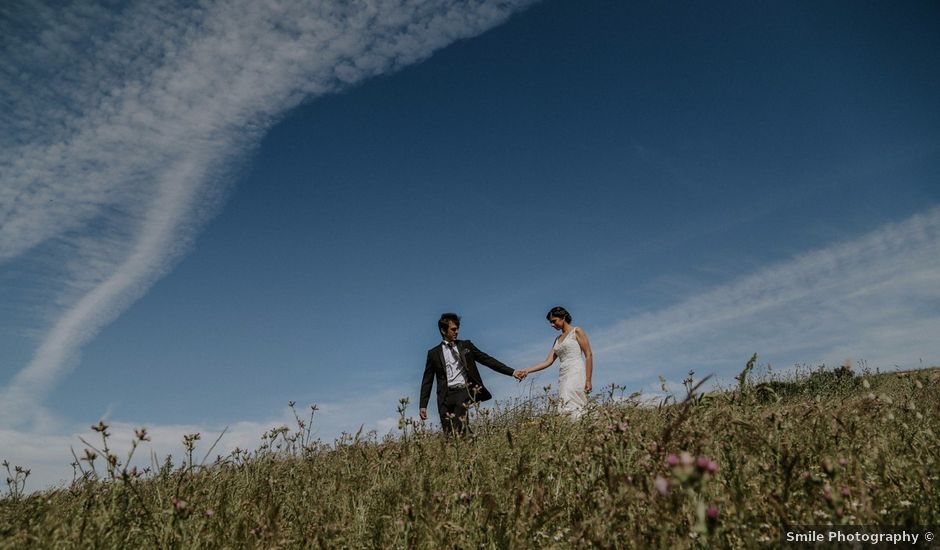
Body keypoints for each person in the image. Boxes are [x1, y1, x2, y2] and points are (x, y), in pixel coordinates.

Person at [419, 313, 523, 435]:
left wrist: (512, 372)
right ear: (443, 330)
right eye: (453, 329)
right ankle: (469, 447)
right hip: (444, 397)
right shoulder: (433, 353)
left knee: (460, 429)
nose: (456, 331)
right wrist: (423, 405)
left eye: (457, 328)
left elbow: (487, 360)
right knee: (448, 434)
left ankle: (471, 447)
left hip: (463, 392)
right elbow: (427, 380)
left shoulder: (465, 345)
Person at [518, 306, 594, 418]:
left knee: (571, 398)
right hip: (563, 373)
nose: (552, 325)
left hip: (576, 370)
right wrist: (526, 370)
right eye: (550, 322)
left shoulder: (576, 331)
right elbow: (548, 362)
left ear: (563, 317)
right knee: (564, 400)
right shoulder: (557, 340)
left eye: (554, 321)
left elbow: (589, 355)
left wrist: (588, 380)